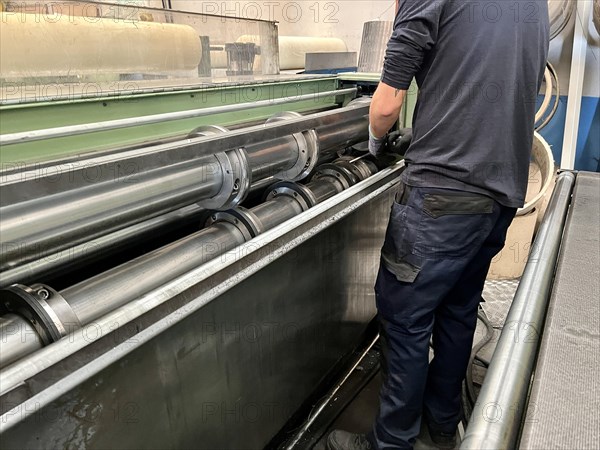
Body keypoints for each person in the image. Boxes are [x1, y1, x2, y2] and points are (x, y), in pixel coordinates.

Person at [327, 1, 549, 449]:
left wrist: (375, 143)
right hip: (502, 191)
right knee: (458, 309)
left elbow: (386, 105)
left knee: (406, 318)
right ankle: (442, 424)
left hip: (441, 199)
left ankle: (390, 443)